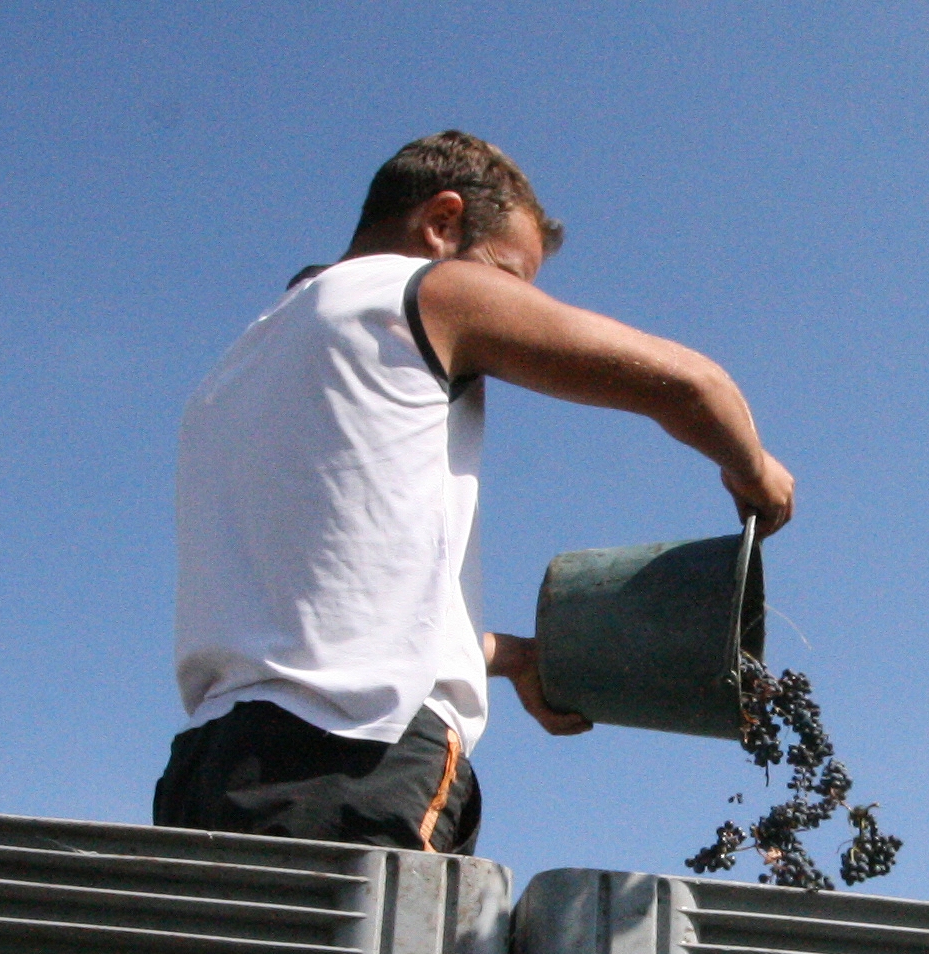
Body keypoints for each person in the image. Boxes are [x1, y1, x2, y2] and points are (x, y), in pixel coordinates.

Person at [158, 132, 795, 852]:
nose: (515, 302)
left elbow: (332, 607)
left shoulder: (244, 365)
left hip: (214, 768)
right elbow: (693, 386)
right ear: (442, 224)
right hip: (356, 761)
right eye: (510, 277)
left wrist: (510, 657)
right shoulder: (415, 293)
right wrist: (753, 470)